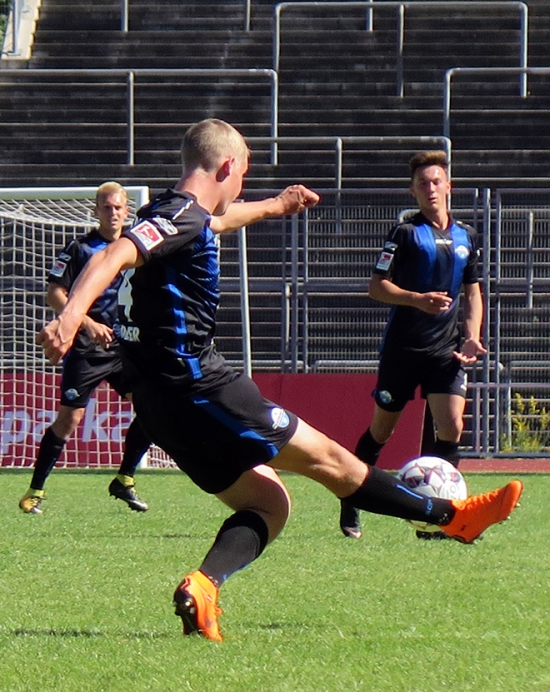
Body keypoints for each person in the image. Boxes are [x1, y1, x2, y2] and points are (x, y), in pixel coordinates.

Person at [37, 119, 523, 643]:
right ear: (227, 166)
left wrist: (277, 205)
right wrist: (71, 317)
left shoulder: (176, 214)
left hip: (156, 405)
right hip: (201, 387)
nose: (243, 182)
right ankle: (453, 516)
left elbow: (216, 222)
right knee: (334, 462)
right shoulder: (179, 216)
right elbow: (113, 254)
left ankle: (203, 587)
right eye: (244, 171)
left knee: (269, 504)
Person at [338, 150, 485, 540]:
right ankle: (351, 499)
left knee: (451, 426)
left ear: (449, 186)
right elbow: (376, 287)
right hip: (403, 350)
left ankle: (441, 516)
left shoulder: (467, 236)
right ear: (413, 191)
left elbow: (473, 293)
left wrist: (472, 335)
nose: (430, 188)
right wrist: (417, 299)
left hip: (446, 350)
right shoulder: (404, 234)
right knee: (381, 433)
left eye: (436, 181)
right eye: (423, 183)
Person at [20, 181, 152, 515]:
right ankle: (35, 491)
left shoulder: (135, 247)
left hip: (125, 346)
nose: (113, 213)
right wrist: (87, 324)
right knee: (70, 420)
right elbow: (55, 293)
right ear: (96, 211)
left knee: (152, 407)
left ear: (127, 211)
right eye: (106, 207)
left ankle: (124, 479)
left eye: (118, 207)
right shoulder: (80, 248)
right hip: (87, 347)